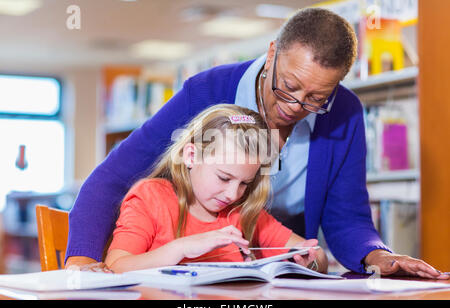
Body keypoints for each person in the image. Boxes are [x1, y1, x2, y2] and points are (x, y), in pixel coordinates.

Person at [66, 7, 448, 279]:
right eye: (289, 86)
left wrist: (376, 255)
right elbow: (114, 178)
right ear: (271, 54)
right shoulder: (207, 91)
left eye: (317, 98)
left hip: (271, 277)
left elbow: (347, 217)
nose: (296, 107)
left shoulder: (344, 112)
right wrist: (82, 264)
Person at [104, 104, 327, 273]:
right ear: (191, 156)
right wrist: (181, 248)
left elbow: (315, 253)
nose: (233, 194)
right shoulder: (150, 198)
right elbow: (116, 266)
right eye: (223, 177)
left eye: (244, 183)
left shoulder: (243, 211)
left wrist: (311, 261)